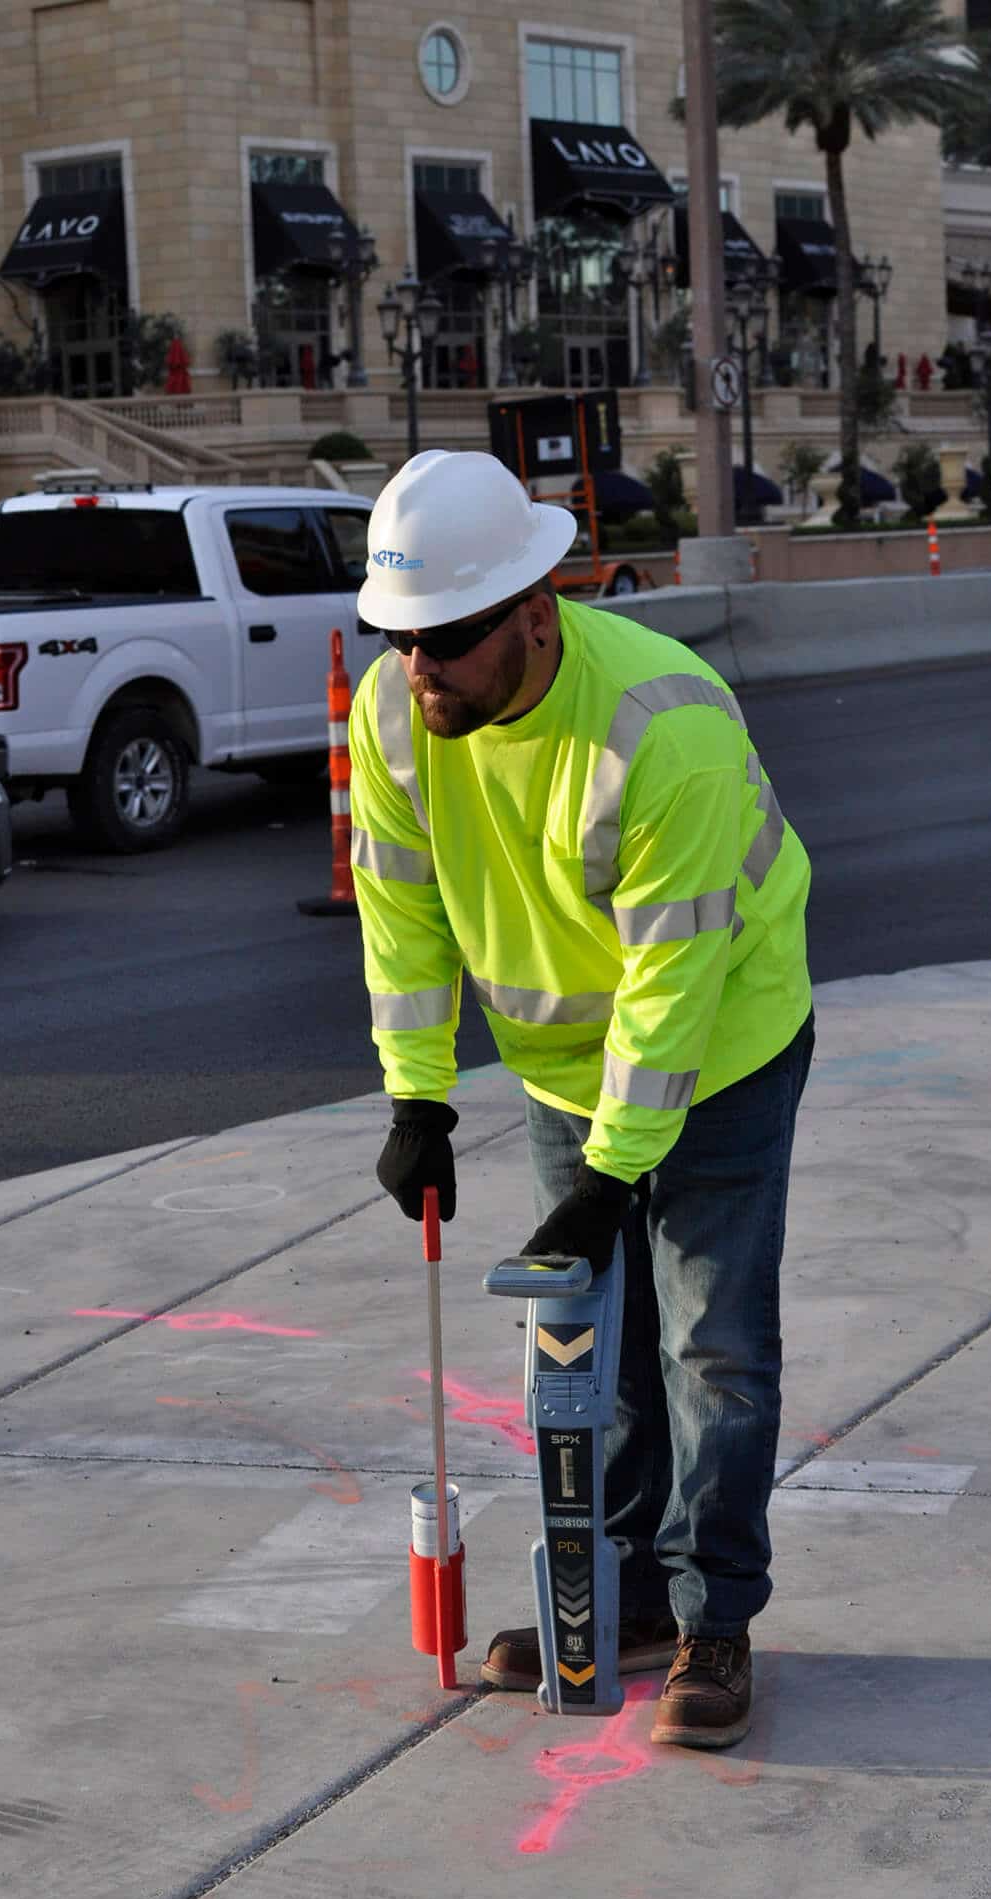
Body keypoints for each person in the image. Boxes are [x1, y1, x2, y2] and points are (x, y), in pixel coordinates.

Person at [349, 450, 812, 1751]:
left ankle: (713, 1611)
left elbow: (673, 985)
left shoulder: (666, 725)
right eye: (395, 638)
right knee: (590, 1348)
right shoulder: (393, 715)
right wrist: (416, 1102)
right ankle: (620, 1597)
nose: (417, 668)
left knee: (708, 1342)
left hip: (722, 1046)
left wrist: (614, 1178)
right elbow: (401, 914)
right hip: (561, 1068)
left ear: (534, 612)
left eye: (444, 640)